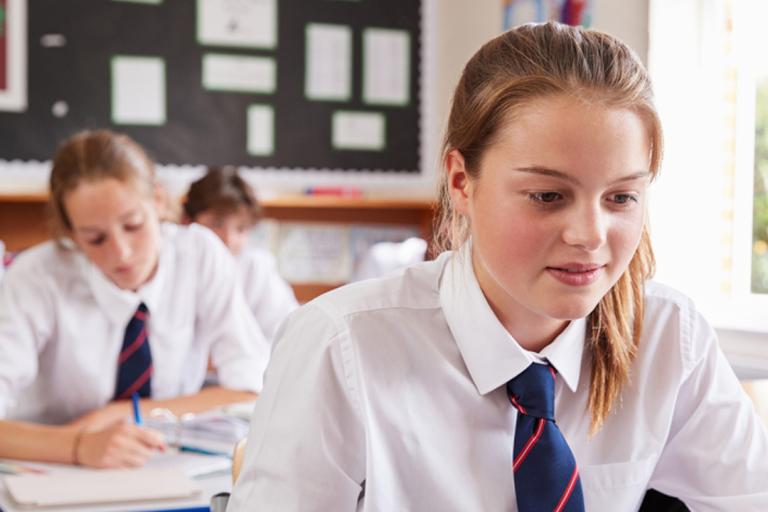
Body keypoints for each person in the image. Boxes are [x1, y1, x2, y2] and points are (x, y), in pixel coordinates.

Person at [228, 22, 768, 511]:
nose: (590, 235)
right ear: (462, 182)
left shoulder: (671, 337)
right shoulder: (340, 348)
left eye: (622, 198)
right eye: (547, 195)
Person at [0, 130, 270, 469]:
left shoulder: (199, 254)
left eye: (133, 225)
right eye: (95, 238)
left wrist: (126, 414)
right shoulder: (36, 277)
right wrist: (78, 445)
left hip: (165, 465)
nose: (121, 253)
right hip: (51, 468)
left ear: (158, 201)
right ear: (70, 233)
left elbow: (250, 391)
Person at [182, 167, 298, 341]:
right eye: (217, 224)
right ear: (187, 221)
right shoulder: (173, 266)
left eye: (241, 229)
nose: (228, 239)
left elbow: (288, 332)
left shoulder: (256, 269)